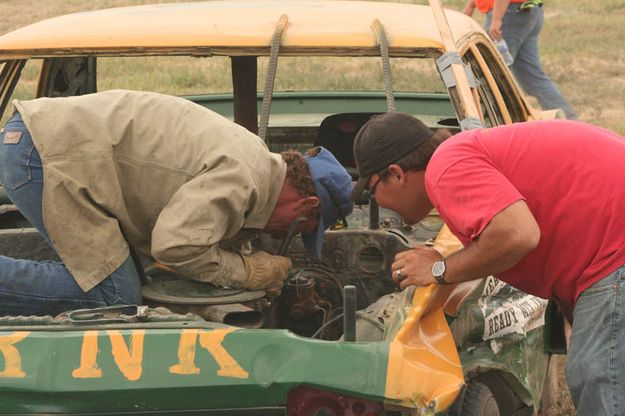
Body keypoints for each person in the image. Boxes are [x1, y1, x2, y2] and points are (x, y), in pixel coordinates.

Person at [352, 112, 625, 415]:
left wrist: (439, 270)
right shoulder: (462, 154)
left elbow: (519, 234)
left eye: (371, 188)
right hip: (610, 246)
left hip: (615, 251)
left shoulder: (445, 169)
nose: (373, 200)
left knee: (600, 382)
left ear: (397, 173)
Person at [0, 90, 352, 317]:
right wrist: (247, 271)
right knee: (115, 296)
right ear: (306, 205)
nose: (278, 236)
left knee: (125, 282)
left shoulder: (257, 163)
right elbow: (174, 246)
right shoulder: (243, 177)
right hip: (42, 154)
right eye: (303, 230)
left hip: (44, 143)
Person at [463, 0, 577, 119]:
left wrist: (496, 19)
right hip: (526, 12)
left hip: (508, 15)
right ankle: (569, 121)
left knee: (491, 75)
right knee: (532, 77)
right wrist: (471, 5)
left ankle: (493, 124)